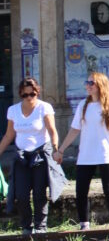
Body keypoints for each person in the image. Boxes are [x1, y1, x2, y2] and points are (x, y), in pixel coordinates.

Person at [55, 72, 109, 230]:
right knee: (81, 190)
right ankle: (84, 225)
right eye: (87, 82)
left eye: (92, 83)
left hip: (106, 154)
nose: (88, 85)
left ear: (100, 85)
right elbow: (74, 130)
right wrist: (61, 150)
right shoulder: (83, 105)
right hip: (86, 155)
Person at [0, 78, 61, 235]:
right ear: (20, 94)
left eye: (32, 94)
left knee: (40, 193)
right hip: (21, 156)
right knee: (21, 194)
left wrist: (56, 149)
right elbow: (9, 135)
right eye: (25, 95)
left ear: (37, 92)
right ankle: (26, 226)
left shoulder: (44, 108)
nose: (29, 98)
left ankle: (41, 227)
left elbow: (52, 130)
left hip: (40, 155)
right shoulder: (13, 110)